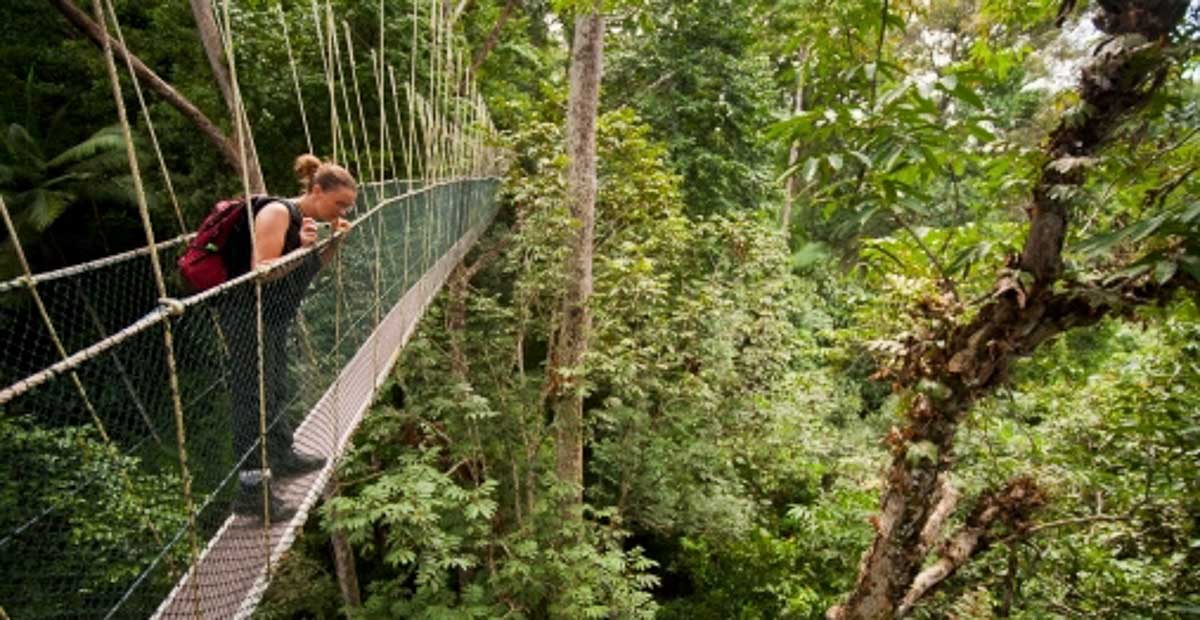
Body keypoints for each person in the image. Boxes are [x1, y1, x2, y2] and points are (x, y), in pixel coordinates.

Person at [220, 154, 356, 520]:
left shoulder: (310, 221)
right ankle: (251, 491)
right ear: (316, 190)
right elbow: (262, 273)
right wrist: (302, 248)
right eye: (339, 203)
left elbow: (310, 266)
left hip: (274, 318)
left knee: (276, 386)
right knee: (253, 399)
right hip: (247, 317)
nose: (343, 210)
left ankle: (280, 457)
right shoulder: (278, 213)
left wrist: (331, 244)